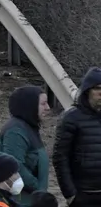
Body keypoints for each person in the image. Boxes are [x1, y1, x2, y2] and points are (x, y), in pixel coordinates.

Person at [54, 66, 101, 206]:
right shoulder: (71, 118)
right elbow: (60, 157)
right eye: (97, 88)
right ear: (87, 91)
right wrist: (70, 194)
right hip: (83, 194)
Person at [0, 87, 50, 205]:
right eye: (43, 104)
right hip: (20, 201)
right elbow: (14, 167)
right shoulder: (16, 131)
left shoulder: (29, 127)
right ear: (29, 106)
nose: (48, 108)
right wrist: (38, 187)